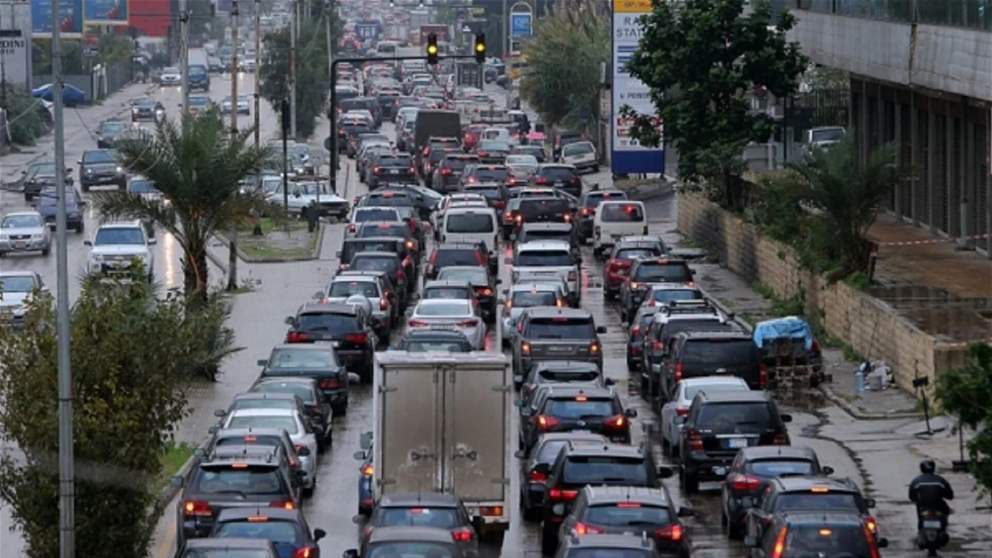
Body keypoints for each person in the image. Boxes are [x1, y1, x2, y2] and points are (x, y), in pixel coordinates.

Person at [908, 459, 954, 527]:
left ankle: (921, 526)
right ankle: (944, 526)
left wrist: (917, 500)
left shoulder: (916, 481)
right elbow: (950, 495)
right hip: (938, 505)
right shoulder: (940, 480)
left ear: (921, 469)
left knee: (919, 510)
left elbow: (911, 496)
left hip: (923, 506)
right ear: (933, 468)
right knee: (946, 511)